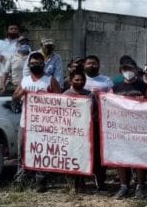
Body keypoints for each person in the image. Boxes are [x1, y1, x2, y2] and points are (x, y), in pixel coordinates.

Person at [13, 52, 62, 192]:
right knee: (22, 151)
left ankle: (41, 180)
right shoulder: (25, 80)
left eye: (38, 63)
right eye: (33, 63)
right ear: (29, 65)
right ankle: (20, 180)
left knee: (42, 151)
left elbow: (59, 101)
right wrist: (20, 93)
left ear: (43, 64)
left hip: (44, 125)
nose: (35, 65)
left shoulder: (50, 80)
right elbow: (15, 97)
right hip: (25, 123)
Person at [112, 58, 147, 199]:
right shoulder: (116, 88)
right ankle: (124, 186)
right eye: (125, 69)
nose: (128, 72)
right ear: (121, 71)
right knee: (121, 157)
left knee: (140, 157)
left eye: (131, 69)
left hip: (140, 129)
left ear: (136, 70)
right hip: (121, 129)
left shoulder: (143, 86)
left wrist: (144, 101)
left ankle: (140, 186)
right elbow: (108, 104)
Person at [82, 55, 113, 189]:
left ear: (99, 65)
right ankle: (81, 180)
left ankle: (100, 179)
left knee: (99, 150)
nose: (91, 66)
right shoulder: (80, 79)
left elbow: (112, 97)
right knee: (83, 148)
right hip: (82, 121)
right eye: (89, 63)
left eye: (94, 63)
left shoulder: (106, 80)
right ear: (84, 65)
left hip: (100, 121)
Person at [62, 70, 91, 193]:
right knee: (70, 157)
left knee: (83, 157)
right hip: (69, 132)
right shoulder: (65, 94)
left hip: (85, 132)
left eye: (82, 80)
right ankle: (71, 184)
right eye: (77, 80)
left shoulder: (89, 94)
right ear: (71, 81)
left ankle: (81, 183)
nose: (80, 82)